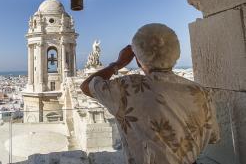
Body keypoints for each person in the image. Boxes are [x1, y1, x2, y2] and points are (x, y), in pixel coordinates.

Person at [80, 23, 220, 164]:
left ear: (137, 60)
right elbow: (212, 136)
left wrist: (118, 63)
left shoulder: (127, 88)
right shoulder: (202, 92)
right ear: (176, 55)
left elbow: (87, 86)